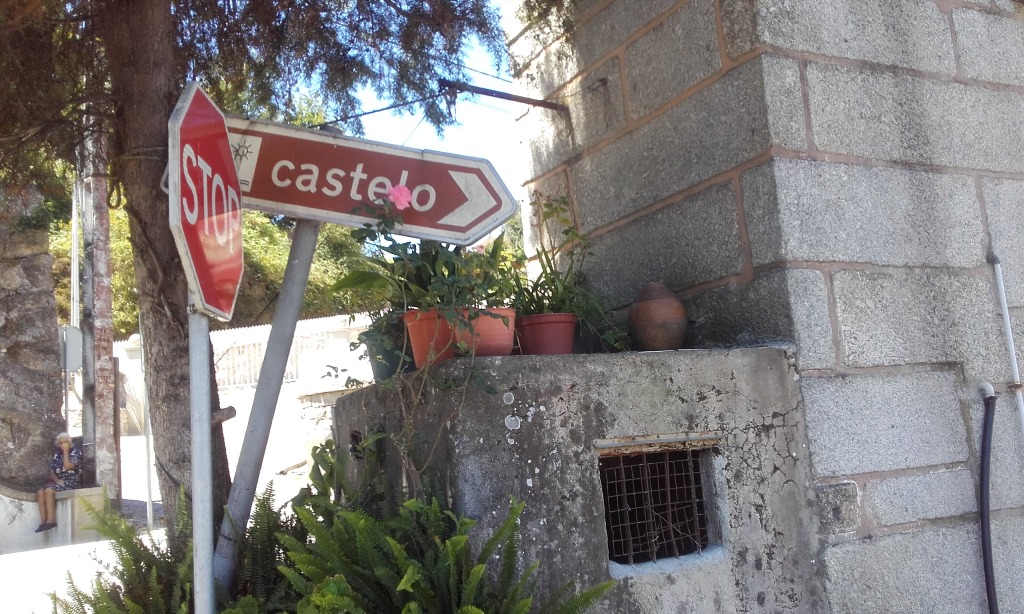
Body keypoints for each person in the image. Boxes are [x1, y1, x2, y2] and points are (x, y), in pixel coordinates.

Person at [34, 432, 82, 533]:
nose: (63, 445)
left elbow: (68, 466)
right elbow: (52, 471)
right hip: (58, 481)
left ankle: (51, 521)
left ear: (69, 442)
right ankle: (43, 523)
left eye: (65, 442)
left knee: (49, 491)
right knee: (40, 492)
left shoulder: (76, 452)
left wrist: (65, 451)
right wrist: (57, 480)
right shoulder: (57, 454)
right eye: (60, 443)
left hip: (71, 481)